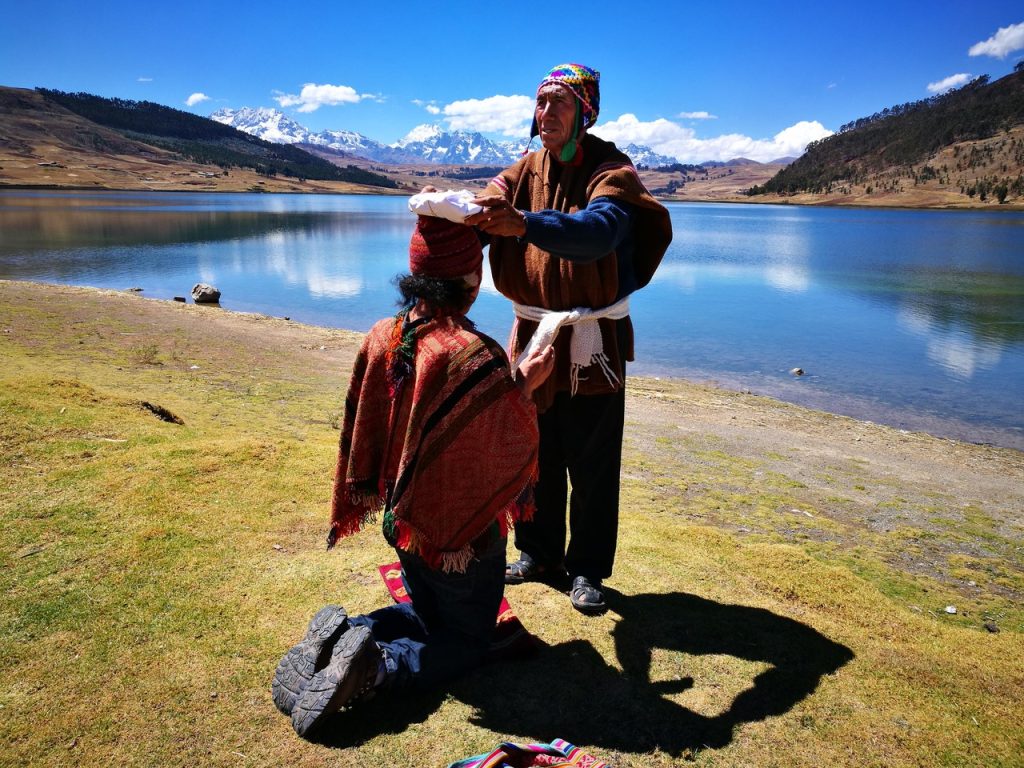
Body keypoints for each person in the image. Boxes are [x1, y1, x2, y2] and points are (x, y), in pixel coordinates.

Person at [272, 214, 554, 738]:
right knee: (467, 640)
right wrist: (527, 385)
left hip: (402, 522)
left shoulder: (384, 334)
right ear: (470, 282)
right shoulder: (476, 355)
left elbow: (367, 422)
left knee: (427, 613)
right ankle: (375, 668)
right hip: (464, 542)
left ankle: (347, 637)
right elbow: (503, 444)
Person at [465, 63, 672, 615]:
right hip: (535, 332)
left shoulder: (612, 171)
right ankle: (537, 552)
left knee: (593, 457)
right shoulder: (528, 166)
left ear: (587, 112)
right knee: (538, 449)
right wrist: (474, 206)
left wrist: (524, 225)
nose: (547, 113)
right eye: (541, 103)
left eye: (560, 103)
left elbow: (599, 232)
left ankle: (587, 568)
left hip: (591, 341)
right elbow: (497, 192)